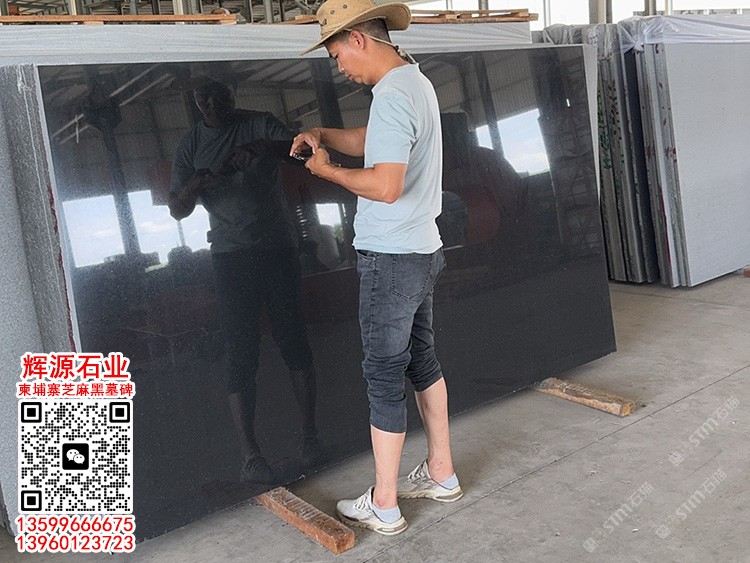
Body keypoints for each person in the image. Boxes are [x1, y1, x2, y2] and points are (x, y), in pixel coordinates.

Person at [292, 0, 461, 536]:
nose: (339, 66)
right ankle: (441, 472)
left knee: (384, 375)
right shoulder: (414, 83)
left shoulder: (390, 95)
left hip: (390, 259)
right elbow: (374, 141)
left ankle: (384, 503)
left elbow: (385, 186)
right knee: (422, 360)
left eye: (337, 55)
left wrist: (327, 172)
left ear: (359, 39)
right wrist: (324, 133)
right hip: (423, 250)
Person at [169, 77, 320, 483]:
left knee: (294, 341)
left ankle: (309, 435)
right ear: (195, 100)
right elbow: (177, 209)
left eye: (219, 93)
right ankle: (250, 454)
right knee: (240, 354)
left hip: (276, 249)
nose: (212, 102)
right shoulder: (189, 146)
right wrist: (196, 183)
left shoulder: (260, 123)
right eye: (203, 96)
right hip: (230, 257)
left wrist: (262, 148)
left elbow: (304, 153)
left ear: (232, 93)